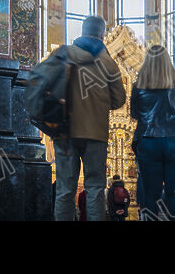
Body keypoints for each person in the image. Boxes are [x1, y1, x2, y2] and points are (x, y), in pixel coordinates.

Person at [54, 15, 126, 222]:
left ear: (82, 30)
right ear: (102, 34)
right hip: (95, 133)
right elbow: (119, 99)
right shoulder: (107, 62)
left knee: (64, 189)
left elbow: (48, 87)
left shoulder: (63, 54)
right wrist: (100, 102)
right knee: (95, 189)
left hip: (64, 131)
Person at [130, 44, 175, 220]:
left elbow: (134, 113)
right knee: (174, 193)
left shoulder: (138, 86)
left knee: (151, 194)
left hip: (148, 140)